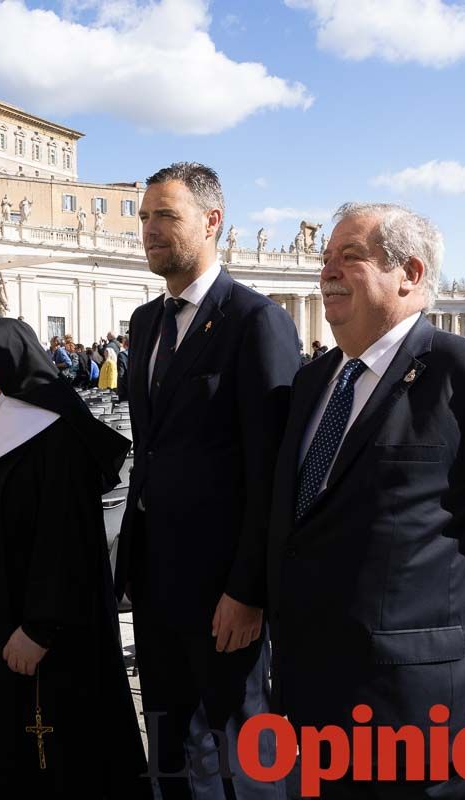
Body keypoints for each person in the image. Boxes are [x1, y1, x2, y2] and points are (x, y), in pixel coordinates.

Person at [266, 202, 465, 797]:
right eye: (325, 258)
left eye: (349, 257)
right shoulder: (312, 383)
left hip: (425, 711)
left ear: (411, 274)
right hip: (316, 697)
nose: (327, 272)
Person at [115, 162, 300, 798]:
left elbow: (273, 470)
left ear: (211, 220)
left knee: (240, 747)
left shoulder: (256, 322)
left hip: (226, 590)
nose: (148, 230)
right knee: (169, 738)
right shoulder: (144, 325)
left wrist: (248, 590)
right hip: (156, 578)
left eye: (165, 216)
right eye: (144, 218)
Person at [0, 319, 149, 797]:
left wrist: (40, 627)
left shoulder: (54, 437)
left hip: (39, 637)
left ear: (11, 359)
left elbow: (67, 543)